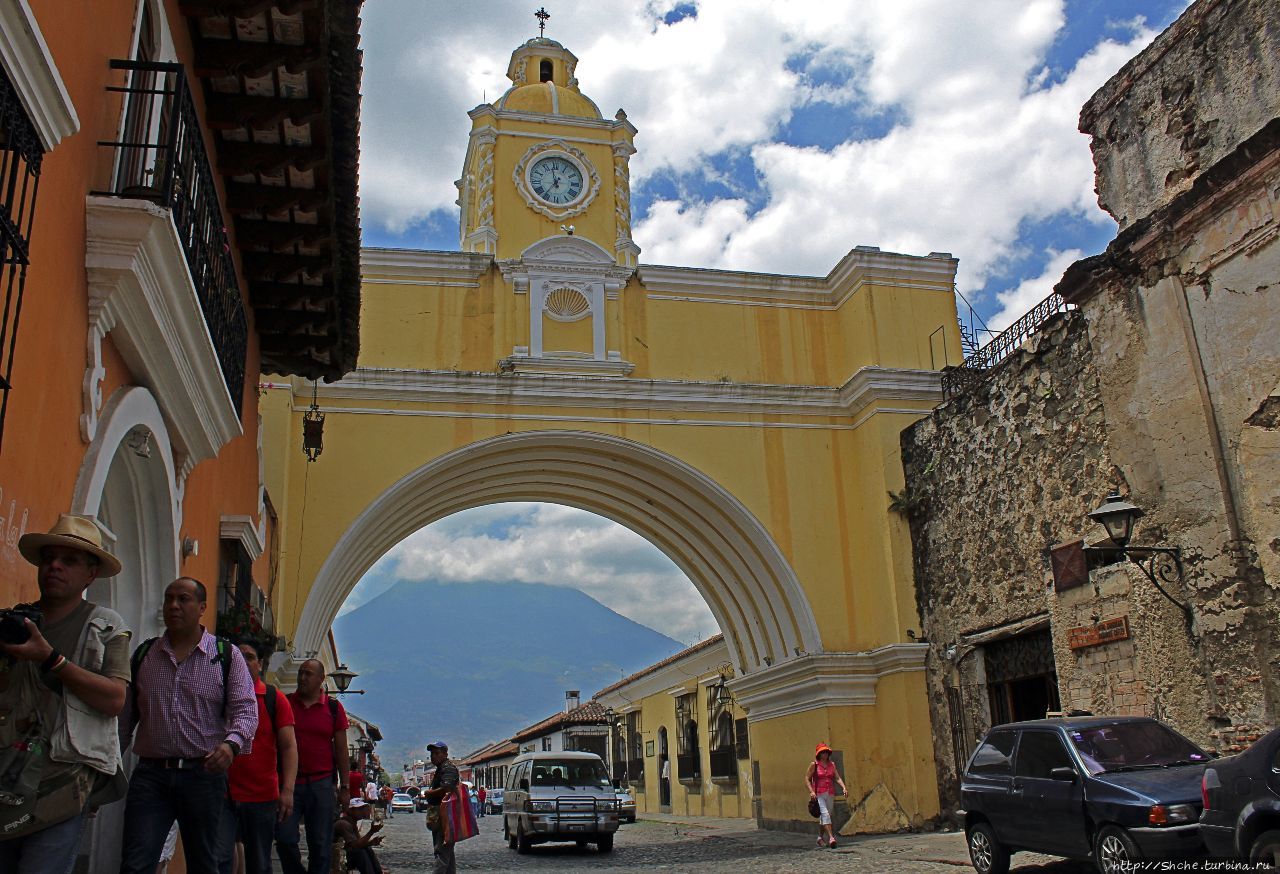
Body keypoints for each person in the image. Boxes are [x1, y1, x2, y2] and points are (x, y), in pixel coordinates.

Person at [0, 514, 130, 874]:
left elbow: (115, 699)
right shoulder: (16, 623)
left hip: (62, 783)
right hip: (7, 777)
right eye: (49, 558)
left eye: (69, 560)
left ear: (91, 574)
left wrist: (51, 659)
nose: (54, 566)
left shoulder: (107, 626)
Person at [120, 577, 258, 874]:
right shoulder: (145, 656)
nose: (173, 605)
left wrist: (231, 745)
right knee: (136, 862)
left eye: (183, 599)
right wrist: (107, 768)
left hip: (203, 775)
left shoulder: (225, 656)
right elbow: (125, 718)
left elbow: (246, 710)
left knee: (205, 863)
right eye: (169, 599)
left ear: (202, 607)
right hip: (151, 775)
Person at [215, 640, 298, 874]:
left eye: (249, 657)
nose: (242, 661)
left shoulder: (274, 699)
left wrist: (288, 791)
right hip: (223, 793)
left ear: (260, 664)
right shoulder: (219, 696)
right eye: (238, 656)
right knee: (219, 859)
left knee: (259, 863)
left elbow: (289, 747)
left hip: (261, 797)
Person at [276, 658, 349, 874]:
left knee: (320, 844)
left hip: (321, 784)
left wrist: (345, 787)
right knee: (284, 838)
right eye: (300, 672)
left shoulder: (334, 708)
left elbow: (342, 750)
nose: (302, 678)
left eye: (308, 674)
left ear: (320, 679)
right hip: (290, 784)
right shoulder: (286, 703)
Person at [420, 741, 459, 874]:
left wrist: (430, 793)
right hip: (440, 815)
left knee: (442, 851)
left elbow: (447, 789)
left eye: (437, 753)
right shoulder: (441, 768)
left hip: (445, 815)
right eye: (432, 754)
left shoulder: (448, 768)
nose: (433, 757)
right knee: (447, 853)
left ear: (445, 754)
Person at [805, 742, 848, 849]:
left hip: (829, 793)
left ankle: (819, 838)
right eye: (822, 752)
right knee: (825, 814)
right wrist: (811, 791)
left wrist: (843, 787)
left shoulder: (831, 765)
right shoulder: (814, 765)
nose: (825, 754)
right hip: (819, 793)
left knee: (825, 816)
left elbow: (837, 777)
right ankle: (831, 838)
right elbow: (807, 778)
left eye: (826, 752)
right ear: (818, 754)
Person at [333, 798, 384, 874]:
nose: (362, 811)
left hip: (345, 854)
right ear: (350, 811)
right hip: (337, 856)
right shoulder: (343, 824)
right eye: (359, 809)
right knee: (360, 852)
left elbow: (359, 842)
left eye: (362, 808)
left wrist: (371, 843)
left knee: (367, 848)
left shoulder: (352, 822)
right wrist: (371, 831)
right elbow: (356, 846)